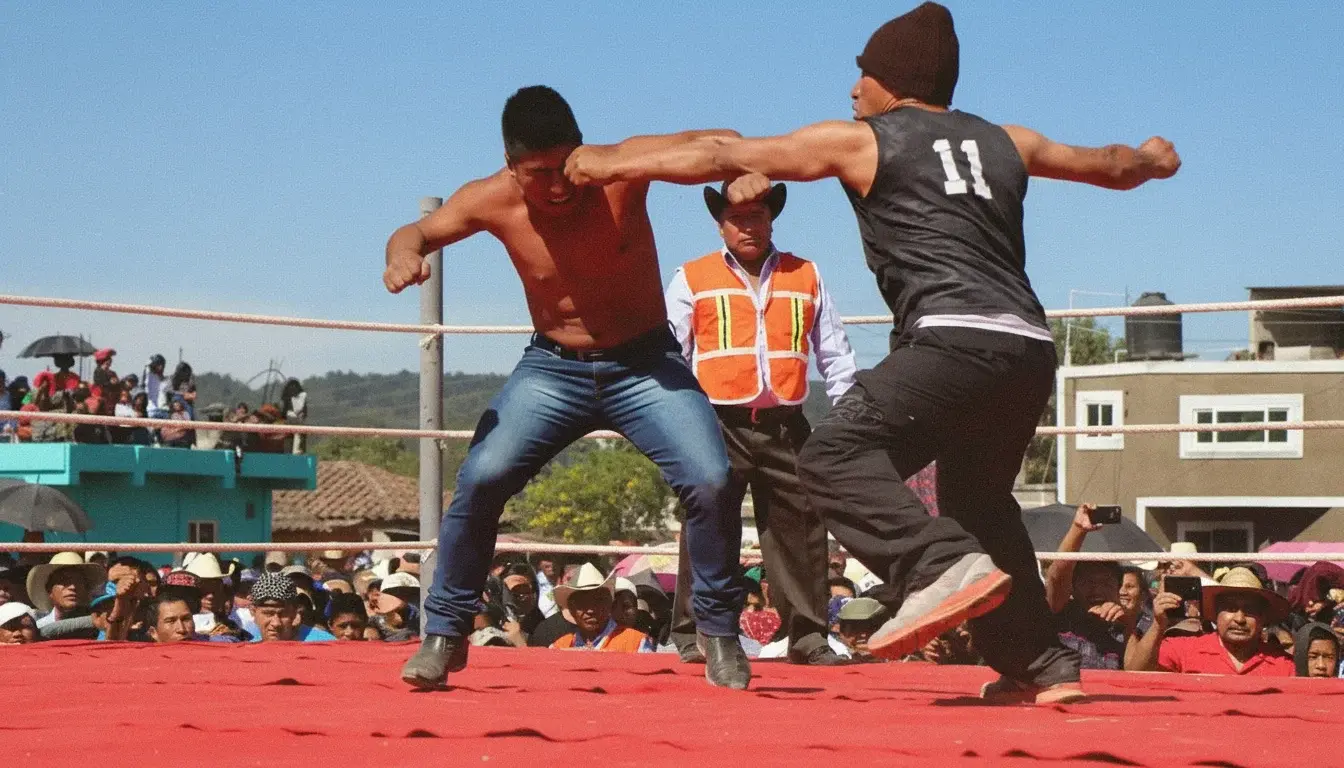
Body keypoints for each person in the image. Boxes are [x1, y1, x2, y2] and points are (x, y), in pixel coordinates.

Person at [564, 2, 1179, 703]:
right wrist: (1151, 160)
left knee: (829, 458)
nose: (854, 88)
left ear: (894, 80)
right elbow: (1108, 164)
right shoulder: (1009, 139)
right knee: (979, 500)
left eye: (864, 73)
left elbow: (722, 156)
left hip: (954, 340)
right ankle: (1040, 664)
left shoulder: (867, 139)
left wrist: (610, 161)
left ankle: (934, 566)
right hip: (1030, 351)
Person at [384, 85, 751, 690]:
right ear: (511, 166)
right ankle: (444, 633)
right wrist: (401, 258)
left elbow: (723, 146)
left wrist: (702, 171)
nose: (557, 186)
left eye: (566, 167)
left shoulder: (617, 171)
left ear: (582, 151)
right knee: (478, 478)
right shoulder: (490, 199)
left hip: (645, 362)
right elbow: (414, 233)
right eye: (539, 174)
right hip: (553, 368)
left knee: (712, 480)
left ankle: (717, 633)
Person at [664, 178, 856, 667]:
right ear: (720, 224)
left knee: (803, 524)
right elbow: (671, 355)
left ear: (772, 219)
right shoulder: (692, 276)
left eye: (758, 216)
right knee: (707, 520)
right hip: (716, 422)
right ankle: (693, 632)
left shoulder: (806, 274)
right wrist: (679, 424)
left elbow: (834, 352)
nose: (749, 226)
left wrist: (848, 419)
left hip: (786, 422)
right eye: (737, 218)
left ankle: (808, 636)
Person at [1127, 567, 1293, 676]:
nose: (1239, 618)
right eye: (1230, 608)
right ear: (1215, 613)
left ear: (1263, 617)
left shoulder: (1284, 665)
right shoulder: (1182, 649)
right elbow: (1136, 674)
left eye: (1249, 610)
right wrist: (1158, 624)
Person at [549, 564, 654, 653]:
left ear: (609, 604)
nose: (590, 610)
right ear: (571, 609)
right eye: (582, 603)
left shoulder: (636, 643)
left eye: (597, 602)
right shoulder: (559, 647)